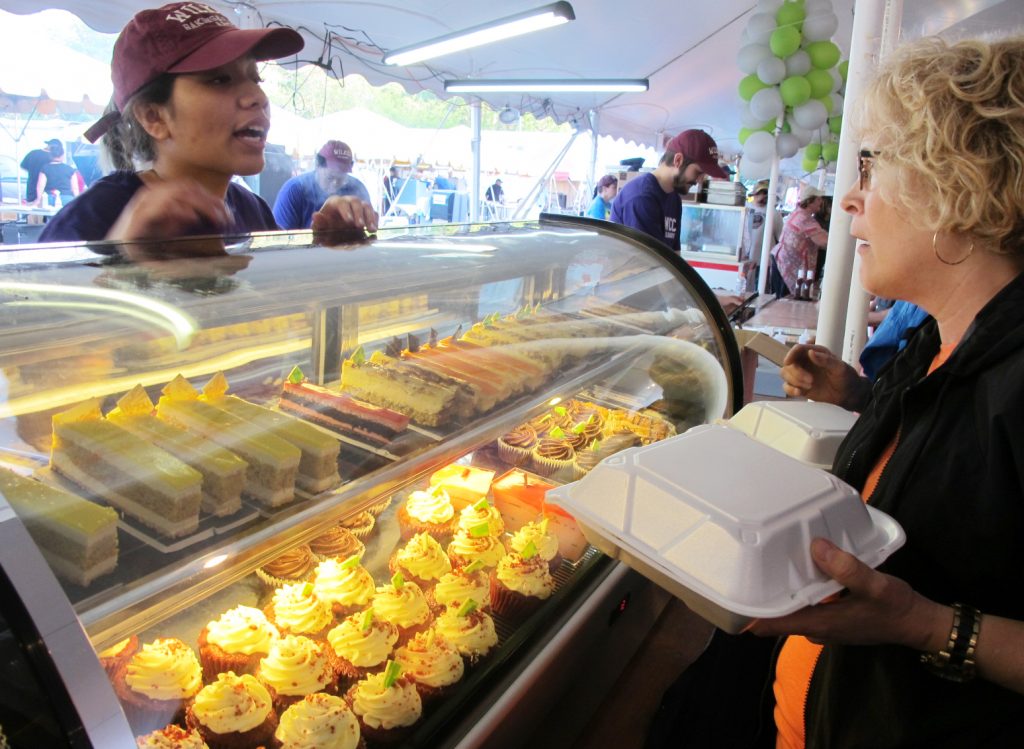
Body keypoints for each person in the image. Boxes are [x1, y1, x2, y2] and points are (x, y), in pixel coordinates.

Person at [751, 34, 1024, 749]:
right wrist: (860, 397)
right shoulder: (935, 342)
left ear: (960, 184)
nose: (850, 199)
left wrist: (928, 625)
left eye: (873, 166)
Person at [39, 3, 376, 244]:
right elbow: (26, 330)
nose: (256, 98)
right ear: (153, 117)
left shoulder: (251, 210)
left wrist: (328, 247)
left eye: (255, 78)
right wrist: (125, 253)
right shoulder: (95, 216)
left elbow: (275, 312)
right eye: (219, 80)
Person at [610, 129, 727, 253]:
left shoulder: (674, 197)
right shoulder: (642, 198)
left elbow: (674, 254)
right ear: (678, 160)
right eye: (698, 172)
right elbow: (647, 263)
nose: (699, 181)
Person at [272, 140, 372, 229]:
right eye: (330, 178)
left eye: (341, 178)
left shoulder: (357, 188)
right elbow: (280, 239)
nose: (335, 184)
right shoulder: (294, 189)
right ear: (317, 166)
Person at [769, 183, 830, 297]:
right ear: (810, 201)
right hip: (788, 267)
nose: (821, 202)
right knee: (786, 303)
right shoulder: (805, 219)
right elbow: (824, 242)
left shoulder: (797, 213)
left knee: (781, 300)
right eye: (818, 199)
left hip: (782, 262)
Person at [740, 178, 781, 291]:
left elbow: (780, 237)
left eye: (765, 193)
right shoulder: (746, 209)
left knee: (761, 289)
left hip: (764, 261)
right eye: (760, 193)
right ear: (754, 194)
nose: (763, 197)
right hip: (745, 260)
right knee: (743, 289)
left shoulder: (774, 213)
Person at [35, 140, 81, 209]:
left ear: (50, 155)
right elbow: (75, 188)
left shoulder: (45, 168)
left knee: (51, 219)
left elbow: (40, 186)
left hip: (50, 198)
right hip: (67, 199)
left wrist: (38, 200)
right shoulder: (70, 169)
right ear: (62, 155)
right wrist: (78, 201)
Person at [20, 139, 60, 204]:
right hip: (47, 190)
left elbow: (23, 166)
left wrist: (32, 171)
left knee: (32, 209)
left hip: (31, 188)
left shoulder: (32, 153)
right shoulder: (51, 157)